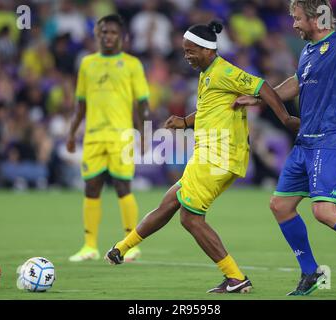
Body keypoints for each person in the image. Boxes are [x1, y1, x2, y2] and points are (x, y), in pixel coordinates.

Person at [105, 21, 299, 293]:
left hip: (218, 155)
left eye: (191, 51)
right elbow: (212, 110)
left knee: (190, 218)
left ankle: (235, 277)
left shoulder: (224, 71)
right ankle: (120, 249)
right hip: (209, 155)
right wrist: (185, 121)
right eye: (184, 51)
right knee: (170, 201)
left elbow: (262, 86)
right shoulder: (207, 74)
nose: (187, 56)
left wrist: (286, 118)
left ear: (208, 49)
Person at [234, 0, 336, 295]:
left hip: (331, 139)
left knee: (323, 211)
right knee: (280, 206)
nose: (294, 24)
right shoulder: (308, 52)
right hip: (305, 142)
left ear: (315, 18)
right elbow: (296, 83)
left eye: (297, 18)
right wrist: (261, 98)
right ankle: (311, 273)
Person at [67, 14, 150, 262]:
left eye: (113, 32)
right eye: (103, 32)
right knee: (91, 187)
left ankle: (130, 244)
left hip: (121, 136)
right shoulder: (87, 63)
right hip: (93, 135)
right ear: (97, 34)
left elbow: (143, 103)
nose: (108, 36)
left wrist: (144, 131)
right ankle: (89, 246)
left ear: (122, 37)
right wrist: (71, 133)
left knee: (123, 186)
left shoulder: (132, 64)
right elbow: (80, 104)